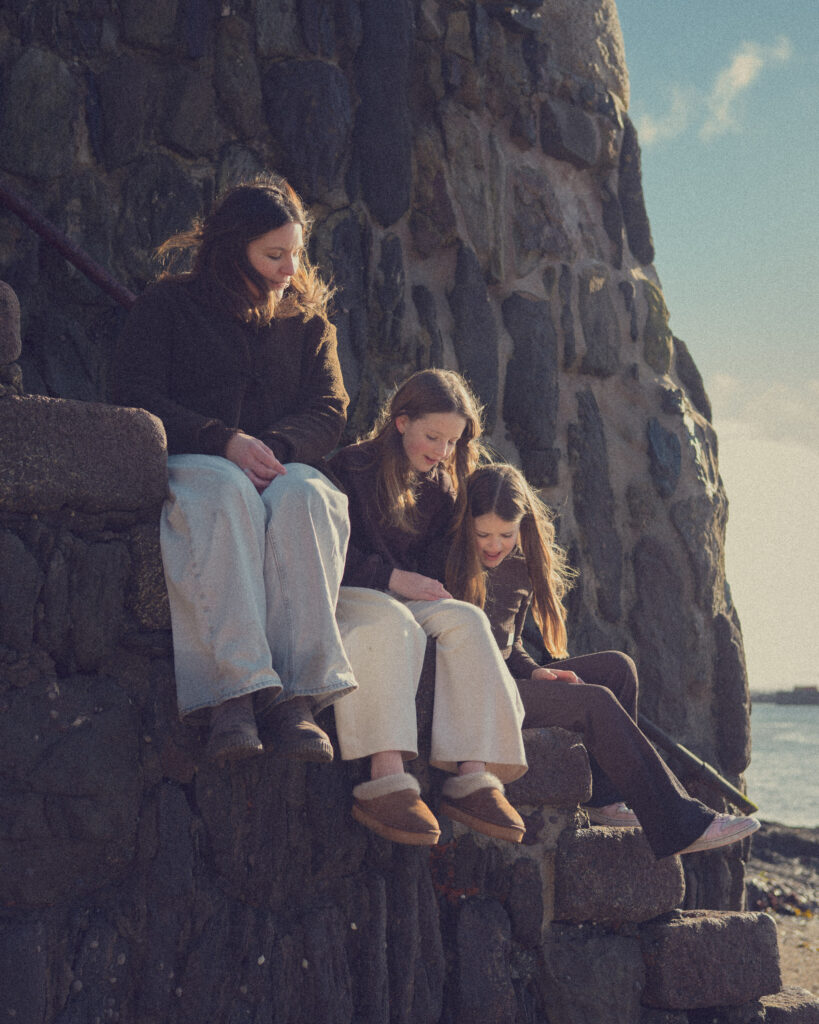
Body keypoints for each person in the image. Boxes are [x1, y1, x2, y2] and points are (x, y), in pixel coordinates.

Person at [109, 176, 357, 764]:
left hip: (281, 464)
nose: (289, 269)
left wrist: (272, 446)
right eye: (275, 255)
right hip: (199, 462)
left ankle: (299, 699)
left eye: (296, 252)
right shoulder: (167, 306)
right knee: (222, 491)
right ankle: (235, 697)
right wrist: (222, 441)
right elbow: (134, 390)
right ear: (232, 247)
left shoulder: (310, 322)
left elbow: (330, 408)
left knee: (310, 497)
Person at [445, 462, 760, 859]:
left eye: (506, 534)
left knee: (617, 668)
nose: (494, 544)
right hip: (476, 692)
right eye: (483, 534)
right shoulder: (453, 563)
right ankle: (681, 823)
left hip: (508, 681)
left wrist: (537, 671)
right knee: (594, 702)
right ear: (466, 525)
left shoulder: (520, 569)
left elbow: (508, 646)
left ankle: (606, 798)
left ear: (522, 526)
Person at [329, 370, 528, 847]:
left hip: (404, 595)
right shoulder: (350, 469)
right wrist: (393, 578)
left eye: (452, 441)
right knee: (392, 622)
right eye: (433, 436)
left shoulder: (441, 486)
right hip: (350, 593)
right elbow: (330, 553)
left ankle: (473, 776)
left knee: (466, 619)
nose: (442, 451)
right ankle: (387, 777)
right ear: (401, 422)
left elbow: (436, 564)